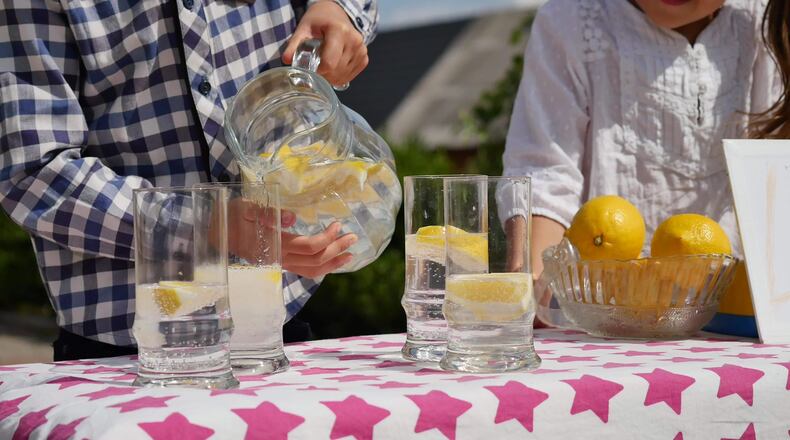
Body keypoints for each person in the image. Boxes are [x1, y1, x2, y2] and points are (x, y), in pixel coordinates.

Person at [0, 0, 377, 360]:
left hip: (279, 317)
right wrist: (207, 225)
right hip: (127, 344)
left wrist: (338, 11)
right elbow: (33, 172)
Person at [502, 0, 778, 331]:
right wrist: (531, 290)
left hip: (740, 323)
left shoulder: (765, 20)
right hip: (602, 322)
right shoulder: (573, 19)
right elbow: (545, 170)